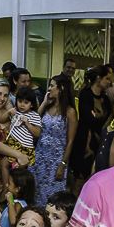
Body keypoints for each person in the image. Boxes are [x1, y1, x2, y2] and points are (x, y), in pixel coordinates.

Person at [32, 75, 77, 206]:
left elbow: (70, 141)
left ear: (61, 88)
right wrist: (44, 103)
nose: (49, 89)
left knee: (52, 198)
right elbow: (34, 121)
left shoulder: (69, 112)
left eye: (52, 86)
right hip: (40, 157)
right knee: (36, 194)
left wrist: (62, 164)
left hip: (55, 162)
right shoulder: (47, 107)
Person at [71, 65, 111, 194]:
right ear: (98, 79)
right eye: (107, 79)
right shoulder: (85, 94)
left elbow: (108, 120)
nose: (110, 83)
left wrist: (97, 118)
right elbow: (88, 118)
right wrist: (98, 120)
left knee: (91, 181)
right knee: (79, 181)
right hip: (84, 143)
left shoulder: (106, 99)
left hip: (98, 144)